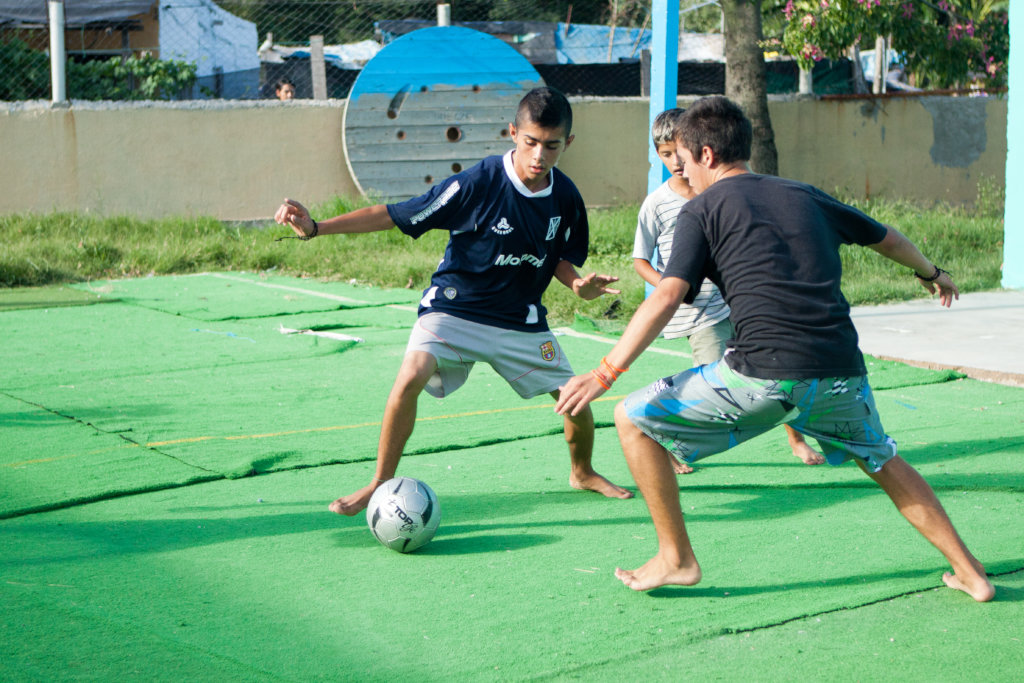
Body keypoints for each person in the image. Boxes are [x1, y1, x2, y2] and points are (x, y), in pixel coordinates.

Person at [555, 96, 994, 602]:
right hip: (841, 372)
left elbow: (668, 294)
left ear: (705, 154)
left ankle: (676, 559)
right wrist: (931, 272)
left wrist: (605, 373)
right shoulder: (805, 194)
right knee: (882, 459)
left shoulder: (701, 208)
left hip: (764, 375)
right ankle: (971, 573)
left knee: (632, 419)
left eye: (684, 158)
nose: (683, 172)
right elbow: (887, 238)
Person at [275, 86, 633, 516]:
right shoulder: (478, 182)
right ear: (513, 133)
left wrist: (578, 286)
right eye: (531, 142)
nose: (539, 155)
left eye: (552, 145)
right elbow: (396, 213)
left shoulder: (566, 197)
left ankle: (583, 472)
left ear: (568, 143)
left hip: (519, 320)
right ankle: (379, 483)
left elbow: (558, 257)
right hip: (454, 308)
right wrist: (316, 227)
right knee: (410, 375)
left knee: (575, 398)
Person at [634, 108, 823, 474]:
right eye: (666, 154)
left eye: (680, 152)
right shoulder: (657, 204)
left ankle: (797, 439)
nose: (676, 162)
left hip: (744, 302)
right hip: (702, 314)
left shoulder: (722, 191)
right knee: (711, 385)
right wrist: (673, 285)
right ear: (657, 155)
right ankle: (667, 439)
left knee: (782, 367)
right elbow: (641, 260)